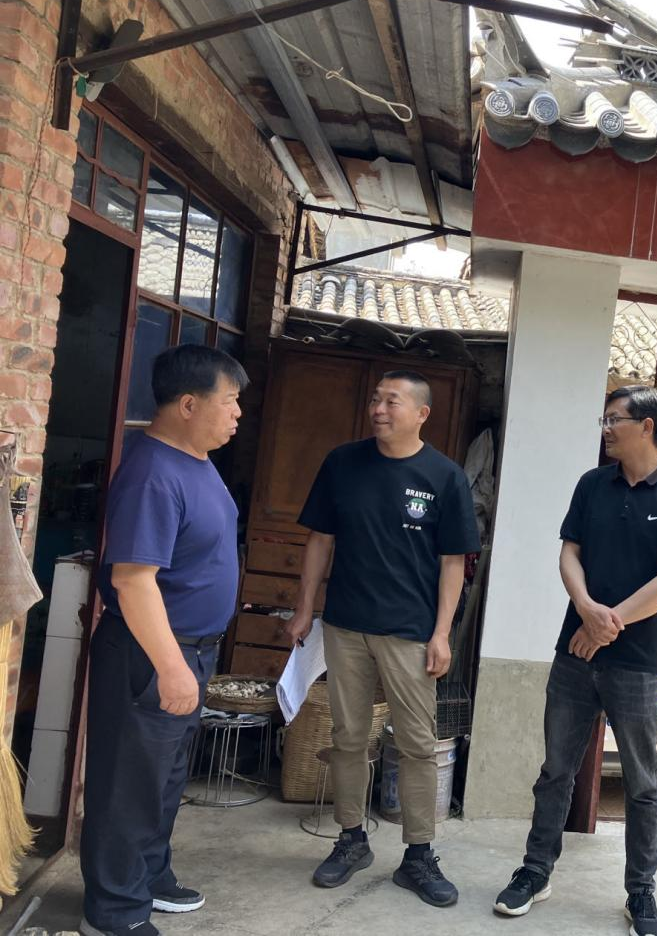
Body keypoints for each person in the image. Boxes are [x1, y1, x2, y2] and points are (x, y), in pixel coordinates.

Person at [493, 386, 657, 936]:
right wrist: (586, 611)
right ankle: (535, 871)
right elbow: (570, 553)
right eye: (604, 419)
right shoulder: (592, 484)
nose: (605, 429)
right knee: (555, 771)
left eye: (615, 420)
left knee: (643, 784)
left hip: (636, 662)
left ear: (648, 427)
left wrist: (606, 626)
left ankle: (641, 890)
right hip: (575, 654)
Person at [285, 370, 479, 909]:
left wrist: (442, 634)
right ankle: (352, 839)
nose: (378, 409)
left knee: (416, 743)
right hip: (345, 625)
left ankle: (418, 855)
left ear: (421, 413)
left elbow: (453, 563)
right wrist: (305, 608)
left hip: (411, 633)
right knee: (348, 737)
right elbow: (320, 540)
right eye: (375, 399)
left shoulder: (444, 477)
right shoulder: (342, 463)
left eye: (392, 401)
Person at [80, 345, 246, 936]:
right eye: (230, 401)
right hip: (152, 653)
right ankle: (113, 912)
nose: (237, 414)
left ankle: (148, 877)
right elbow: (133, 580)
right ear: (187, 404)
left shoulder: (197, 463)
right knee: (129, 786)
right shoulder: (153, 473)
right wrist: (172, 666)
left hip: (190, 648)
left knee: (165, 779)